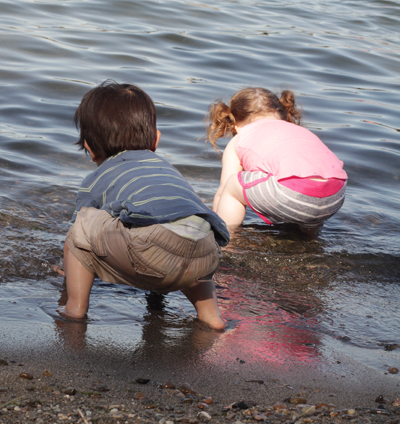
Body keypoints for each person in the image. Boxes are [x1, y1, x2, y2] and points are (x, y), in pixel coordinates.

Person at [60, 81, 229, 330]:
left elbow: (81, 234)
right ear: (156, 139)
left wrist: (66, 266)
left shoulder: (96, 179)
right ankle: (210, 315)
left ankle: (74, 308)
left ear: (89, 147)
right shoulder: (168, 171)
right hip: (206, 251)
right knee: (188, 227)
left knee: (81, 229)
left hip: (151, 250)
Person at [207, 87, 347, 229]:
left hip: (294, 195)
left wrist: (214, 218)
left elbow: (222, 191)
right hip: (335, 195)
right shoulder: (300, 131)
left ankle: (226, 236)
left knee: (231, 185)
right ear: (283, 115)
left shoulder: (239, 138)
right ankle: (308, 236)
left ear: (234, 124)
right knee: (304, 180)